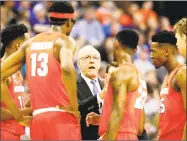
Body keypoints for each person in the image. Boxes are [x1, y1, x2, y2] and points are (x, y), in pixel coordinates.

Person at [1, 2, 81, 140]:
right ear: (69, 22)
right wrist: (74, 107)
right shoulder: (65, 41)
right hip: (61, 117)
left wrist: (18, 115)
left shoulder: (30, 43)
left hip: (38, 120)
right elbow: (67, 68)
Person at [98, 29, 147, 140]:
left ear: (116, 44)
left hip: (117, 135)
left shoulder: (121, 72)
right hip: (132, 135)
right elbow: (140, 129)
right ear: (135, 50)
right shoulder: (140, 77)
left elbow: (118, 112)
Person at [86, 61, 148, 140]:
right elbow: (133, 123)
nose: (113, 78)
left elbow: (119, 115)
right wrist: (101, 119)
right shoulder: (137, 88)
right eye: (110, 75)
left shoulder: (124, 88)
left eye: (114, 75)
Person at [150, 30, 186, 140]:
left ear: (166, 51)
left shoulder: (182, 74)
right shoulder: (167, 77)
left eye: (153, 51)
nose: (151, 56)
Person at [1, 24, 32, 140]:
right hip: (4, 133)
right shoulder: (3, 72)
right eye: (29, 44)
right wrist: (23, 113)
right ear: (19, 46)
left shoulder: (17, 71)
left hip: (16, 134)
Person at [77, 45, 104, 140]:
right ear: (78, 63)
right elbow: (77, 108)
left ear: (100, 63)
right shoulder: (71, 85)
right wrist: (99, 97)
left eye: (95, 58)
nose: (92, 60)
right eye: (87, 57)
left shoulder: (106, 85)